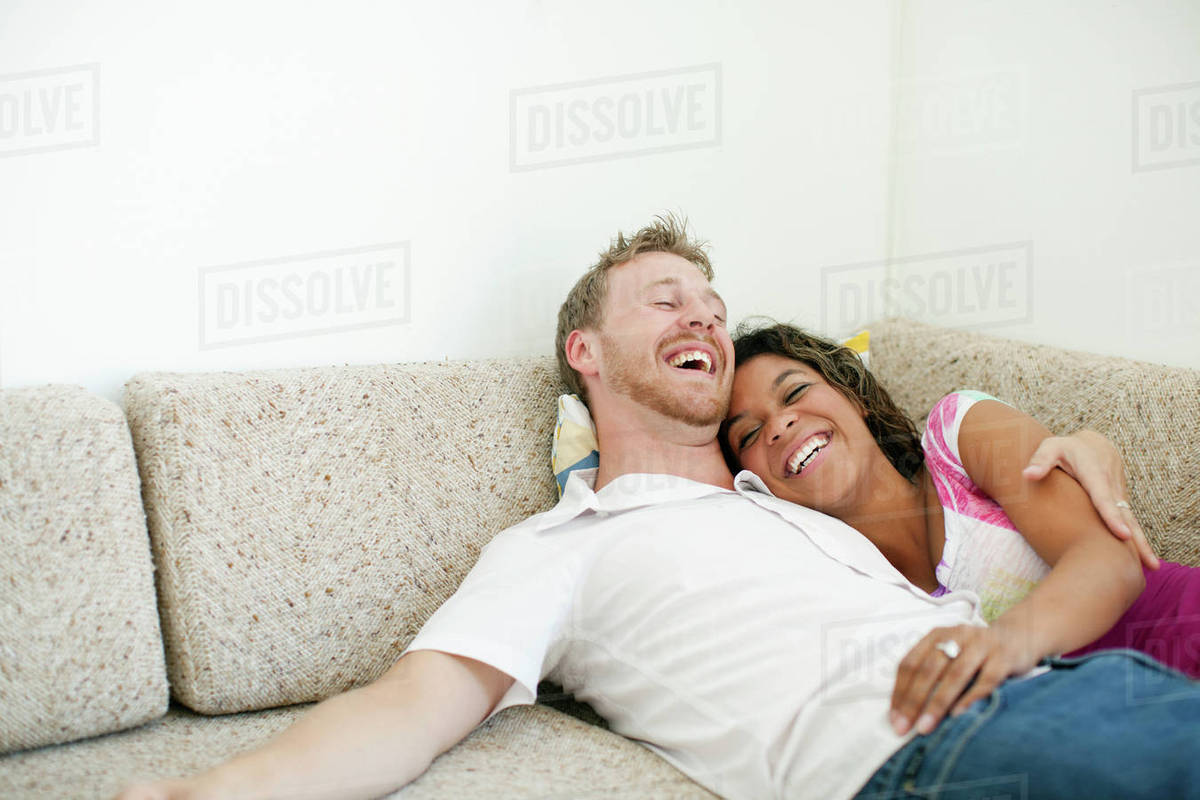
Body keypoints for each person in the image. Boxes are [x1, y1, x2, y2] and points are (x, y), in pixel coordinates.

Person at [115, 215, 1200, 800]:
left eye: (715, 309)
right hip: (941, 753)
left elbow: (981, 498)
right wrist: (204, 793)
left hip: (1090, 683)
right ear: (585, 351)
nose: (706, 321)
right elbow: (405, 710)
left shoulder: (790, 501)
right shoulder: (561, 545)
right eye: (667, 300)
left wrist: (1092, 444)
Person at [721, 321, 1200, 717]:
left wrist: (1001, 645)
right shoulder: (833, 581)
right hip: (1100, 730)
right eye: (750, 434)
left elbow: (1111, 563)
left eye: (795, 392)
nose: (779, 425)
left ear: (853, 395)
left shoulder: (957, 433)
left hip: (1176, 631)